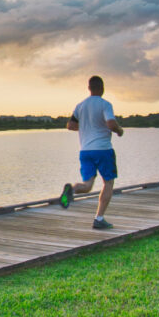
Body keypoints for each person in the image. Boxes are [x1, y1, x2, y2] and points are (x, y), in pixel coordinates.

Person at [59, 75, 123, 229]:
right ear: (102, 88)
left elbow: (70, 125)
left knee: (87, 185)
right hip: (103, 150)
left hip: (85, 151)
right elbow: (111, 123)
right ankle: (99, 218)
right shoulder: (105, 104)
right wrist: (119, 130)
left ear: (89, 88)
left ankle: (72, 189)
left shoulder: (80, 106)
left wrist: (87, 128)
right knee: (108, 182)